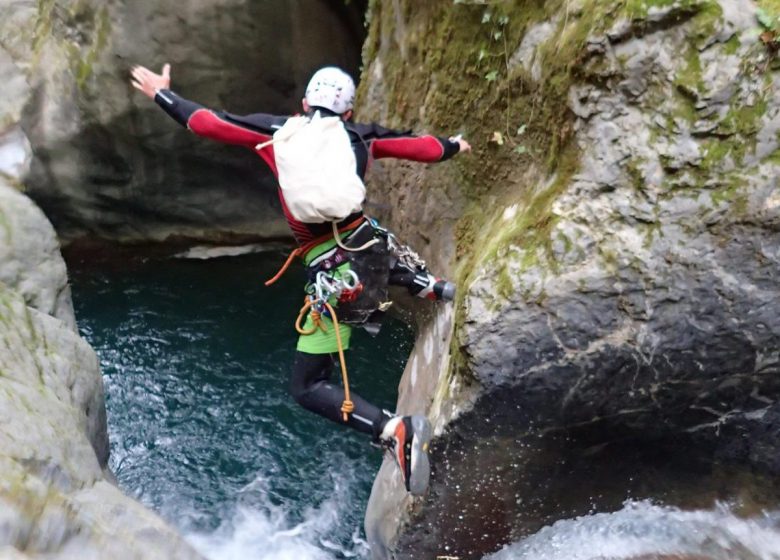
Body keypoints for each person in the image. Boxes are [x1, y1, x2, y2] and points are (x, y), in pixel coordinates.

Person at [131, 63, 471, 495]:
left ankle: (393, 429)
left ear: (304, 105)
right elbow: (420, 147)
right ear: (347, 113)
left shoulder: (279, 130)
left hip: (336, 274)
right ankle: (426, 283)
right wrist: (453, 146)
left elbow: (205, 122)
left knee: (308, 386)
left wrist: (163, 93)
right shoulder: (360, 135)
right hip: (369, 250)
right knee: (366, 235)